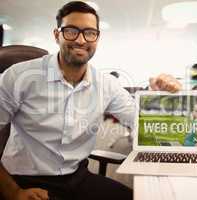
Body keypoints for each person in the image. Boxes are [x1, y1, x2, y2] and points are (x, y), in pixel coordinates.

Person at [0, 1, 181, 200]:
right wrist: (13, 191)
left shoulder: (106, 85)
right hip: (25, 180)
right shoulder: (19, 77)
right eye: (71, 31)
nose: (80, 40)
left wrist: (159, 98)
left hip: (78, 177)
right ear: (56, 34)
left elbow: (142, 124)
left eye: (89, 33)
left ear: (96, 38)